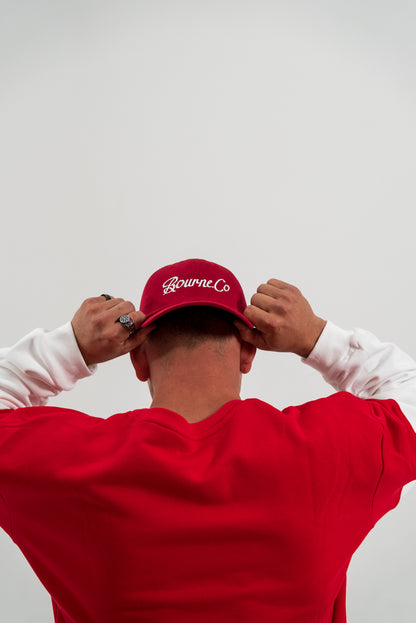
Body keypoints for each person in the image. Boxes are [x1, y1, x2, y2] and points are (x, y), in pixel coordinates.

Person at [1, 257, 416, 623]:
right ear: (248, 353)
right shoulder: (326, 448)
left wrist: (71, 347)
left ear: (138, 359)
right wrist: (316, 337)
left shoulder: (73, 464)